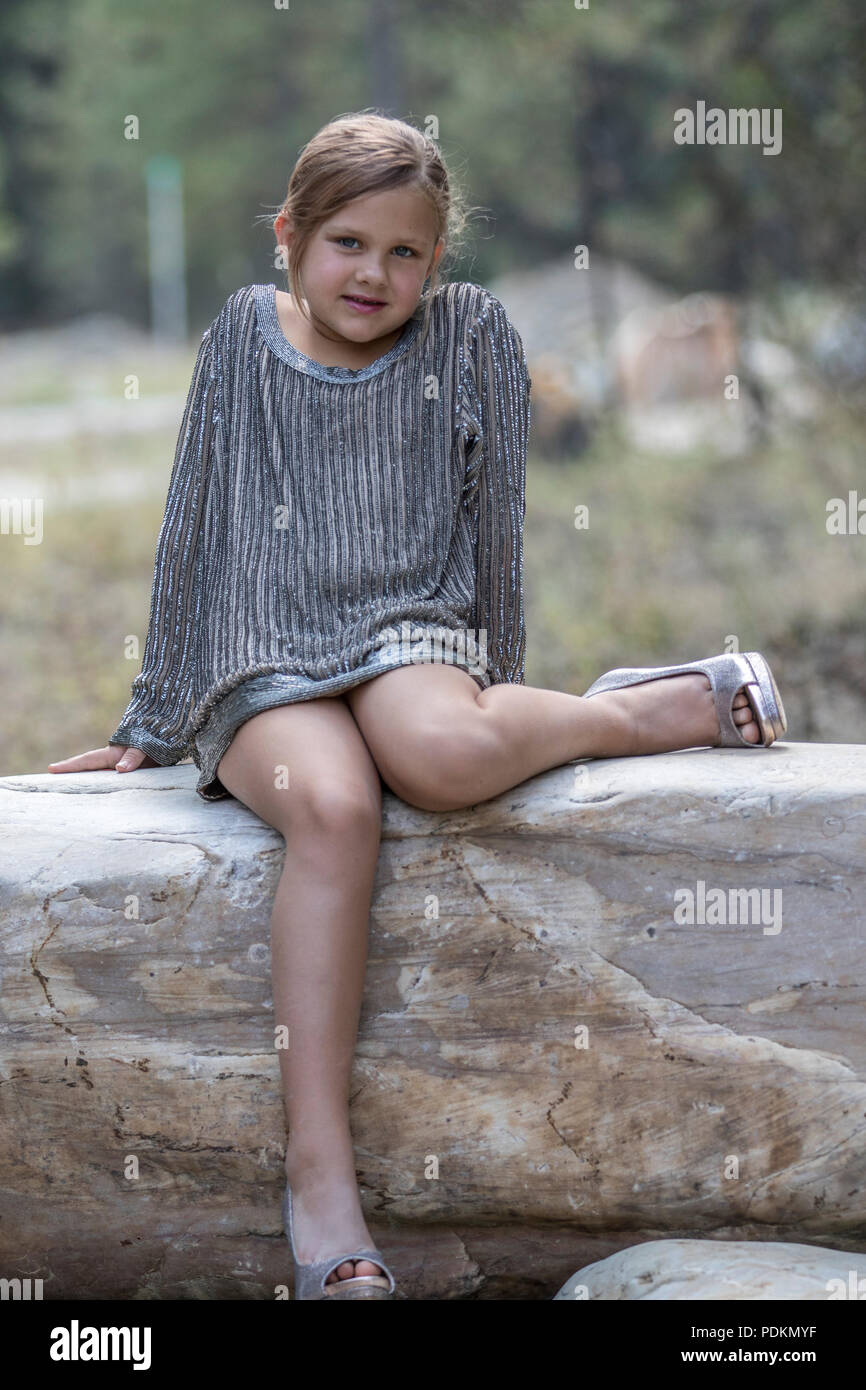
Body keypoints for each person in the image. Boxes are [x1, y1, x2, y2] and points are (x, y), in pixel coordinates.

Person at [48, 110, 787, 1300]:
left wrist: (499, 700)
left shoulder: (473, 334)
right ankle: (321, 1175)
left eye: (404, 252)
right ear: (289, 235)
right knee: (334, 807)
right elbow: (191, 527)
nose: (373, 274)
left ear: (437, 261)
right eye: (346, 242)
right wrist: (150, 716)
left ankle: (630, 710)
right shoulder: (242, 336)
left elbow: (496, 533)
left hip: (410, 629)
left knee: (439, 755)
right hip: (260, 650)